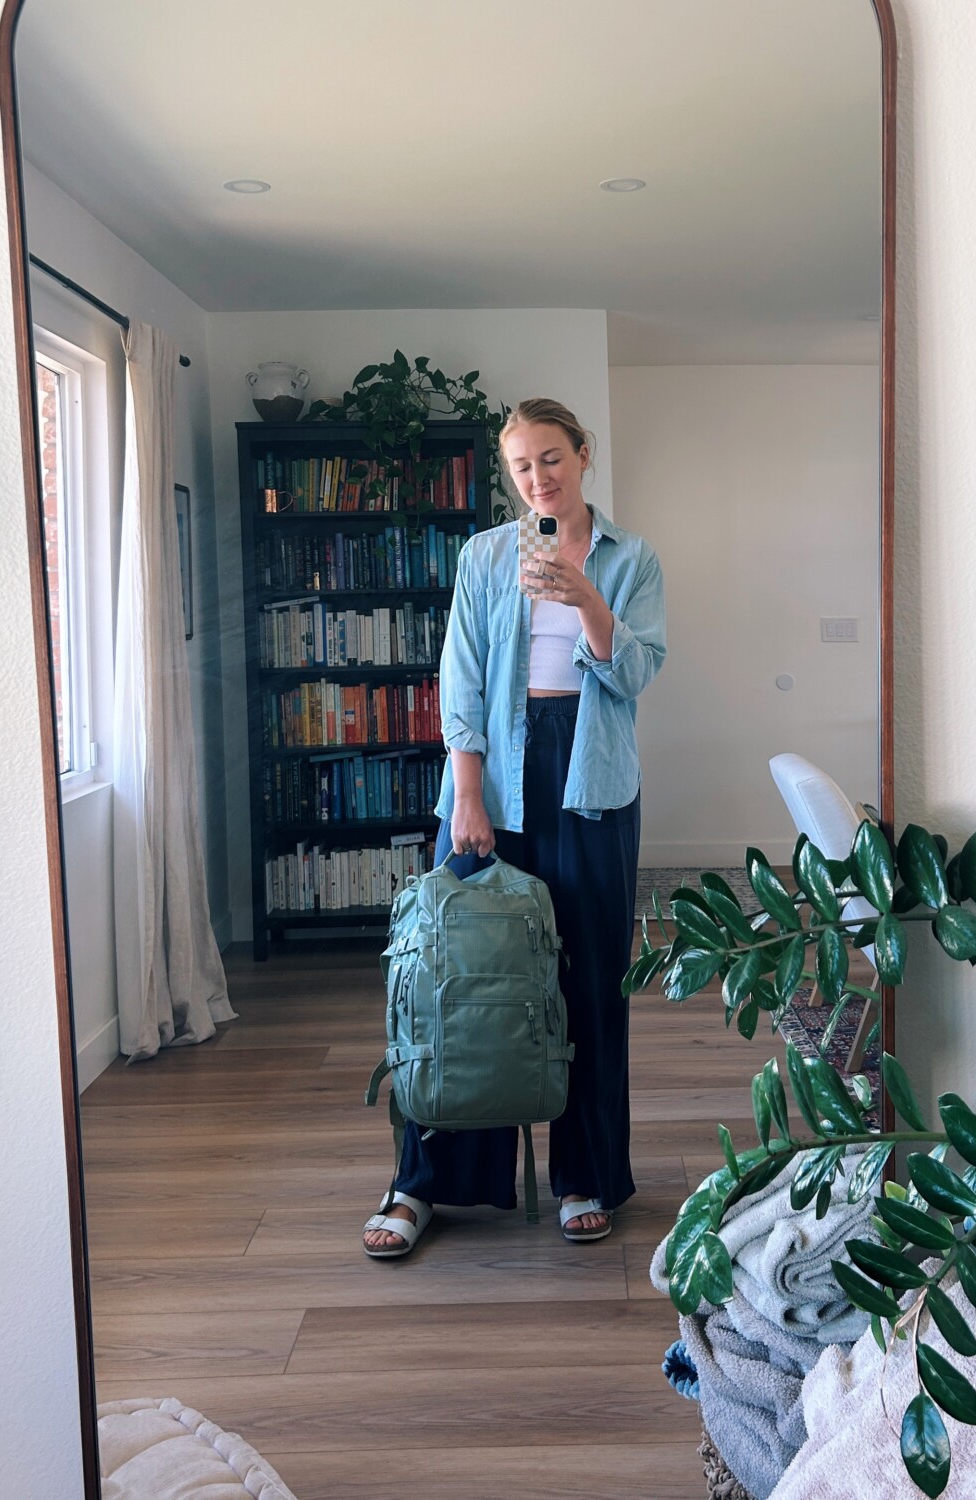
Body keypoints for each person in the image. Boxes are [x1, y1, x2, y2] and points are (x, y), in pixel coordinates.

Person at [362, 397, 666, 1256]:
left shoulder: (631, 559)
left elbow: (635, 672)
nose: (538, 476)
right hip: (490, 771)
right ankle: (425, 1183)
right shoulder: (486, 554)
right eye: (522, 465)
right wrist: (467, 795)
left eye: (552, 458)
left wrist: (584, 597)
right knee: (454, 976)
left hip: (591, 776)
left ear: (583, 455)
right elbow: (460, 678)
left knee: (588, 985)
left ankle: (583, 1176)